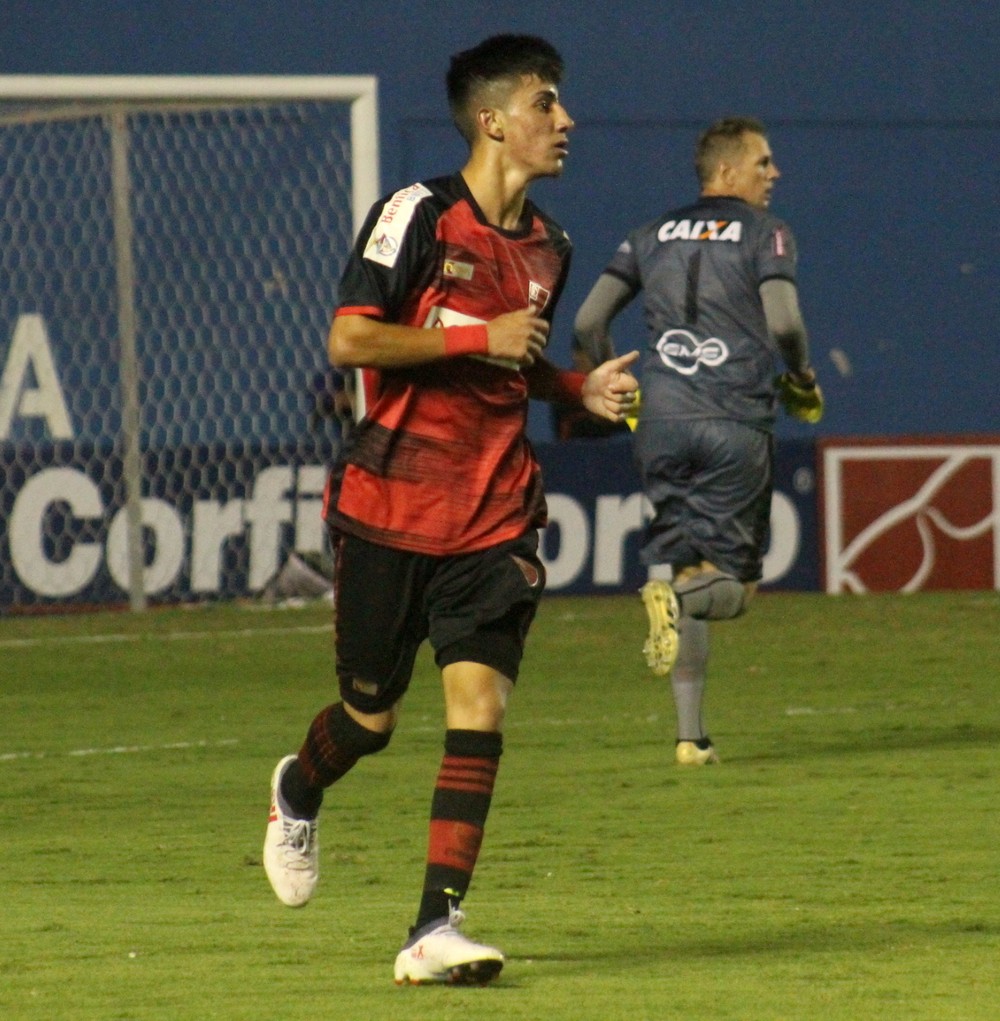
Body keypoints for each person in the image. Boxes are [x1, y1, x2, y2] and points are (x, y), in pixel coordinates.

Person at [263, 34, 640, 986]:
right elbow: (351, 341)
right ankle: (300, 785)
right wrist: (479, 331)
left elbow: (515, 357)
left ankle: (434, 926)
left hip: (496, 512)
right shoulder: (418, 214)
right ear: (493, 120)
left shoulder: (549, 244)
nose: (566, 122)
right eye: (547, 103)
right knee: (371, 718)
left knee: (478, 705)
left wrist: (574, 391)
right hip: (389, 507)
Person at [573, 116, 823, 767]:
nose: (775, 174)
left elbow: (588, 320)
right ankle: (674, 600)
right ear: (728, 170)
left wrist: (614, 382)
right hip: (734, 419)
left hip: (658, 421)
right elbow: (786, 321)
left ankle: (691, 737)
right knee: (733, 589)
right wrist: (798, 372)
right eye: (764, 162)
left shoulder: (649, 233)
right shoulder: (766, 232)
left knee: (688, 564)